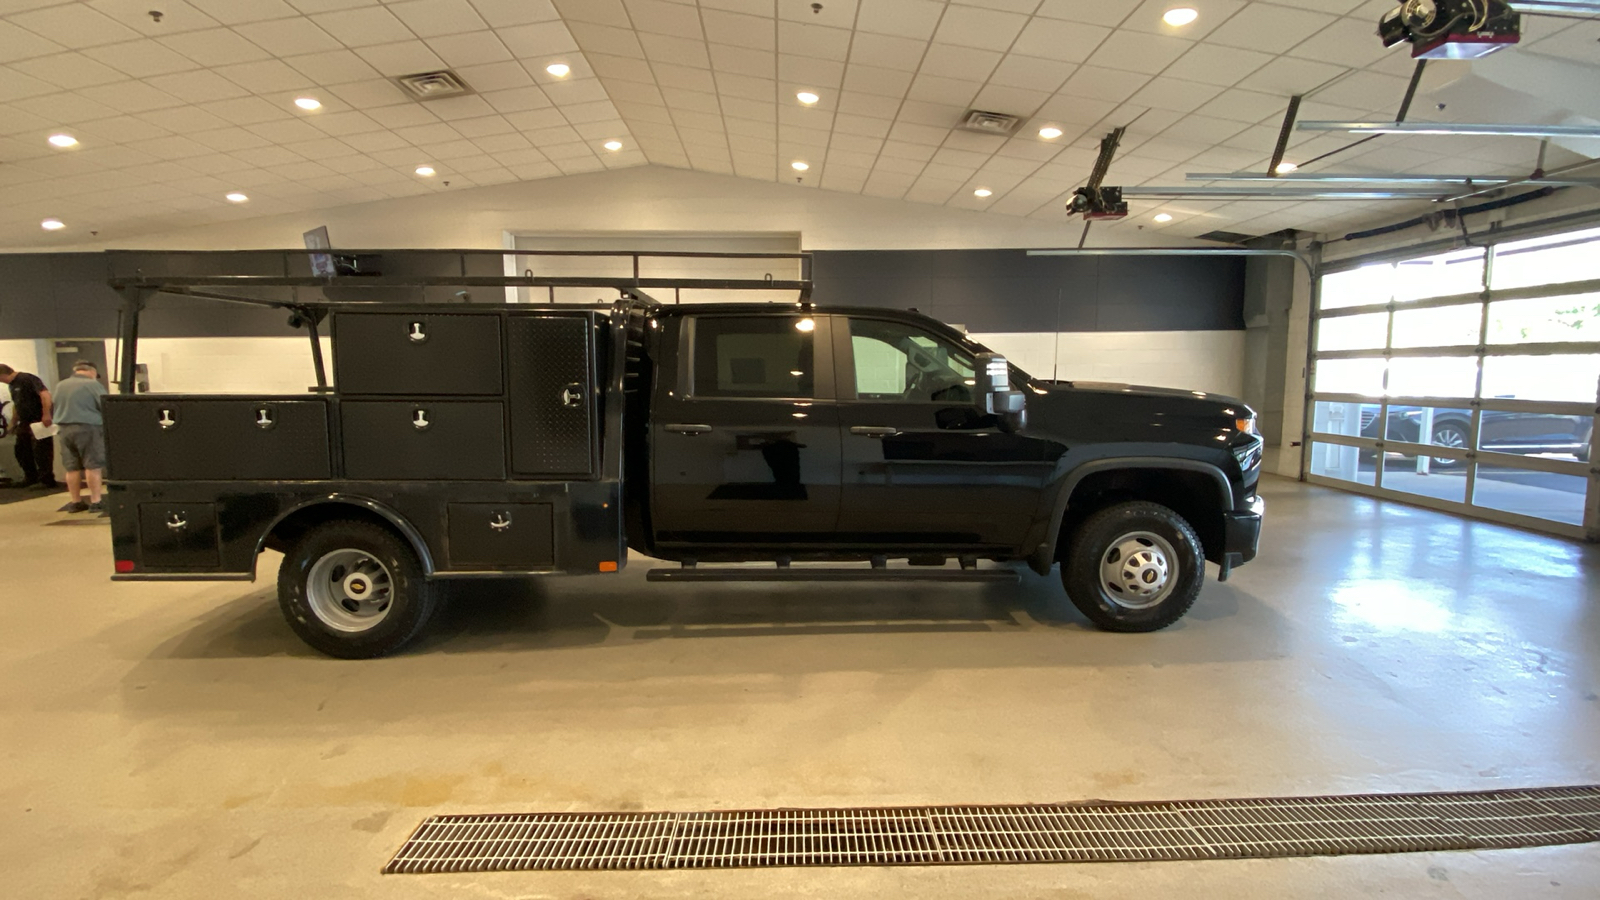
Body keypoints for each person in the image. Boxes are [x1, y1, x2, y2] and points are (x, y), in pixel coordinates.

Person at [52, 360, 109, 514]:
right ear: (92, 372)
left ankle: (76, 501)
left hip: (64, 429)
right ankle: (96, 501)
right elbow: (105, 405)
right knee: (93, 465)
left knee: (72, 467)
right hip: (88, 428)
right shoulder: (93, 385)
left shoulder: (60, 385)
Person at [0, 363, 57, 490]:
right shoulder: (12, 385)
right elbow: (17, 404)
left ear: (3, 374)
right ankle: (31, 477)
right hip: (25, 422)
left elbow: (45, 395)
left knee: (42, 451)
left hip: (38, 421)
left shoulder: (27, 378)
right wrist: (13, 423)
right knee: (21, 450)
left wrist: (46, 414)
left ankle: (47, 480)